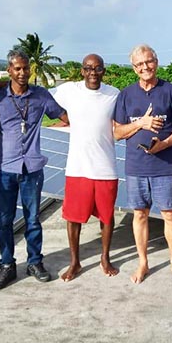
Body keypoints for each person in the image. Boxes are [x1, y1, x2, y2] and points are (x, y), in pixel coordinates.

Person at [0, 49, 69, 290]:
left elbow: (65, 116)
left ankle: (34, 262)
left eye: (26, 68)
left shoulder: (41, 96)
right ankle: (7, 266)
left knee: (33, 219)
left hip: (32, 167)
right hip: (6, 168)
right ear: (9, 70)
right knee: (4, 220)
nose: (22, 73)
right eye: (17, 69)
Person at [113, 44, 172, 284]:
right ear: (134, 68)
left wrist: (164, 144)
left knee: (169, 215)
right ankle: (143, 263)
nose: (145, 67)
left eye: (149, 62)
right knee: (140, 214)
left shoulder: (170, 91)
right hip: (136, 168)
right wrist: (141, 124)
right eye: (139, 64)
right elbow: (117, 132)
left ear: (156, 62)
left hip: (165, 167)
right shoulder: (126, 95)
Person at [51, 53, 120, 281]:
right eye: (88, 68)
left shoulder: (114, 95)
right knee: (73, 218)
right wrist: (1, 86)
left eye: (98, 68)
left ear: (104, 71)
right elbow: (41, 97)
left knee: (107, 218)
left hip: (105, 168)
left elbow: (124, 122)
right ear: (82, 70)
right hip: (77, 168)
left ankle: (105, 258)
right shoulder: (69, 90)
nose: (93, 72)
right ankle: (75, 262)